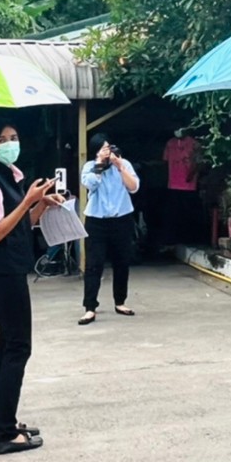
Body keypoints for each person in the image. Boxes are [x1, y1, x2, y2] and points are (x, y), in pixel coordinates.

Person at [0, 120, 61, 455]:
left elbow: (21, 225)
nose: (10, 144)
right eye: (2, 140)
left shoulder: (12, 176)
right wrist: (27, 201)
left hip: (12, 268)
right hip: (2, 271)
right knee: (18, 347)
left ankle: (0, 421)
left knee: (7, 343)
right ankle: (6, 432)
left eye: (14, 137)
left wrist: (41, 204)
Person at [77, 133, 140, 326]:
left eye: (109, 148)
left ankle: (120, 302)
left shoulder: (124, 164)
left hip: (122, 219)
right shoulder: (90, 166)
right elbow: (90, 184)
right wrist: (99, 164)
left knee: (122, 262)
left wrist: (119, 166)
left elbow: (134, 187)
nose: (107, 152)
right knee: (93, 264)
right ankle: (90, 307)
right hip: (97, 220)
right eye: (103, 149)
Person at [163, 128, 201, 244]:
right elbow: (165, 161)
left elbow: (198, 163)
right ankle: (175, 239)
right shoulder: (170, 143)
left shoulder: (194, 144)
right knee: (174, 214)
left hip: (189, 186)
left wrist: (190, 175)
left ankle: (189, 239)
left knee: (188, 214)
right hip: (173, 185)